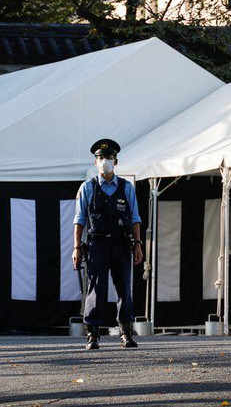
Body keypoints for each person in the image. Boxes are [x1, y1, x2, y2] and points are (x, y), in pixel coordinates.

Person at [73, 138, 144, 350]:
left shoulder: (126, 187)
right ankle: (93, 335)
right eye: (101, 158)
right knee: (96, 289)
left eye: (109, 158)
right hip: (97, 244)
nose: (105, 161)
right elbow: (79, 220)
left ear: (116, 161)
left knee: (124, 288)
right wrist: (76, 247)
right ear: (95, 162)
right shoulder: (88, 187)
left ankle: (126, 333)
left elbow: (135, 218)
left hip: (121, 243)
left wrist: (138, 244)